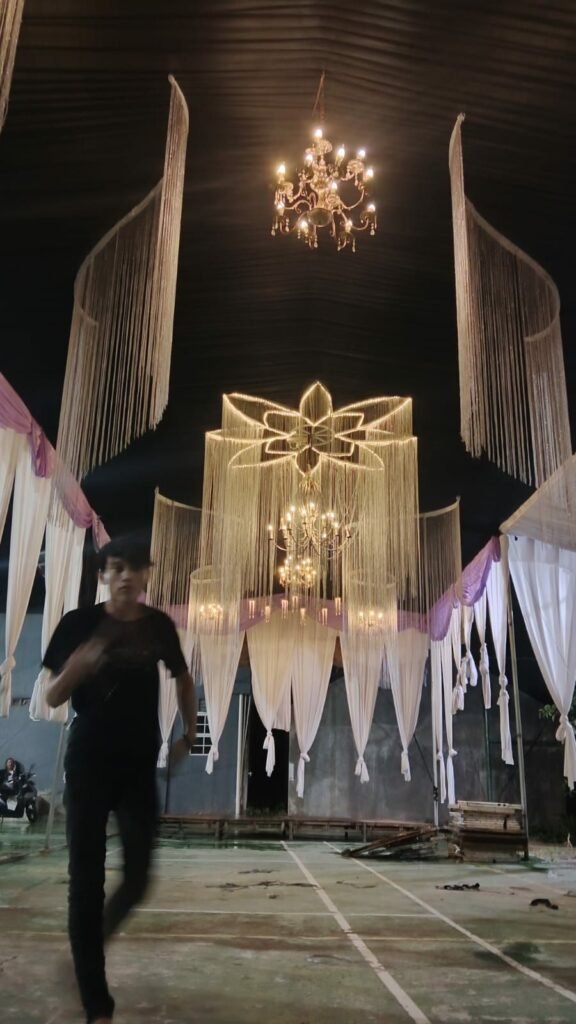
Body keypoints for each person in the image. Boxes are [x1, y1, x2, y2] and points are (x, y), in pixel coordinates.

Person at [44, 536, 196, 1024]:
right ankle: (97, 1006)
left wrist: (190, 732)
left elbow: (183, 677)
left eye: (135, 567)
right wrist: (78, 667)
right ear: (104, 575)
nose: (126, 575)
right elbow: (51, 696)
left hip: (137, 768)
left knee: (137, 878)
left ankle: (91, 944)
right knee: (85, 884)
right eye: (116, 567)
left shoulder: (158, 626)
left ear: (147, 574)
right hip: (88, 765)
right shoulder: (78, 624)